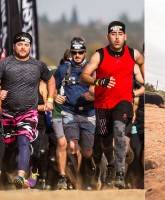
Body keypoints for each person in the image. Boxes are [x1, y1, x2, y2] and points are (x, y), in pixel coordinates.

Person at [81, 21, 145, 189]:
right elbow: (84, 75)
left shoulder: (133, 53)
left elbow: (142, 62)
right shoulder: (99, 55)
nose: (117, 38)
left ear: (125, 36)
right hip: (102, 104)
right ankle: (111, 164)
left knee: (119, 130)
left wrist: (144, 81)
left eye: (120, 34)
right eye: (113, 34)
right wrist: (99, 81)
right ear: (108, 36)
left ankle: (120, 173)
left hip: (123, 102)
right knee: (105, 142)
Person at [0, 32, 52, 189]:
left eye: (26, 45)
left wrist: (50, 99)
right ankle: (6, 176)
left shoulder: (38, 65)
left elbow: (51, 79)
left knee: (24, 140)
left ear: (30, 47)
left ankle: (21, 176)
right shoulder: (5, 64)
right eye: (20, 44)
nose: (23, 47)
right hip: (8, 113)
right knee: (10, 147)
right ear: (14, 46)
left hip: (29, 112)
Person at [53, 37, 96, 189]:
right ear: (71, 52)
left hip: (89, 113)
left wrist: (94, 94)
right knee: (72, 146)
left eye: (80, 52)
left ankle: (90, 164)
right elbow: (51, 83)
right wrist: (53, 96)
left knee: (87, 152)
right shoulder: (64, 68)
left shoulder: (93, 68)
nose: (77, 55)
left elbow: (101, 89)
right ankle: (74, 179)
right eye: (74, 52)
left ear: (85, 52)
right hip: (68, 112)